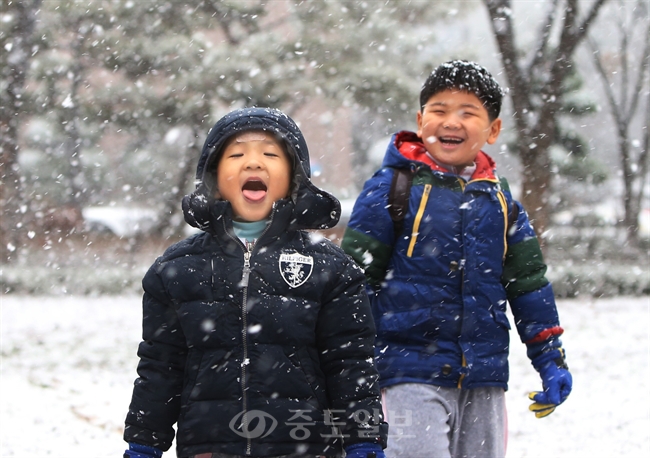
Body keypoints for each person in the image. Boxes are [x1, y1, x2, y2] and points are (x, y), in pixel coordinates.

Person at [123, 107, 388, 458]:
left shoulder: (331, 269)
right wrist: (144, 442)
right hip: (210, 447)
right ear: (214, 178)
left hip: (304, 445)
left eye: (269, 154)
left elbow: (351, 363)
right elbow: (160, 367)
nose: (253, 163)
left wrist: (364, 439)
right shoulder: (177, 269)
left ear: (294, 177)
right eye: (236, 154)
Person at [341, 60, 572, 458]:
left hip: (483, 373)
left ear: (493, 129)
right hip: (406, 369)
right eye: (440, 110)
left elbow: (529, 284)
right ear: (420, 118)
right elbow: (352, 285)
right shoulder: (391, 190)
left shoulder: (503, 205)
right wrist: (350, 379)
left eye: (468, 113)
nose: (451, 122)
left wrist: (549, 357)